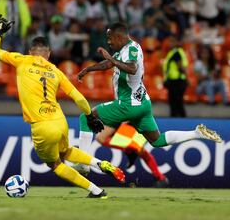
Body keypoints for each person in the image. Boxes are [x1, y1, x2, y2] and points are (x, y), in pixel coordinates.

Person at [0, 15, 125, 199]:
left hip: (41, 125)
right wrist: (90, 115)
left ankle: (96, 191)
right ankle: (100, 163)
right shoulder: (56, 71)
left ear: (30, 51)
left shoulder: (21, 59)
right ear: (49, 53)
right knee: (66, 151)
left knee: (56, 165)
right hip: (60, 122)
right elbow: (78, 97)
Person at [75, 22, 222, 182]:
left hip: (128, 104)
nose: (108, 42)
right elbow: (109, 63)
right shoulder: (124, 50)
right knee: (157, 140)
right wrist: (89, 69)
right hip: (142, 104)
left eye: (110, 39)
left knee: (86, 118)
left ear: (119, 37)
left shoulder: (131, 49)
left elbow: (132, 68)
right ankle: (196, 133)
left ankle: (83, 164)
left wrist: (110, 58)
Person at [163, 35, 189, 117]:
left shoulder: (176, 53)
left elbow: (181, 67)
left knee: (176, 103)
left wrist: (185, 78)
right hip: (174, 81)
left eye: (172, 41)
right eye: (170, 41)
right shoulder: (174, 52)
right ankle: (179, 120)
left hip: (177, 81)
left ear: (177, 42)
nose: (170, 43)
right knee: (175, 102)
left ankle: (179, 120)